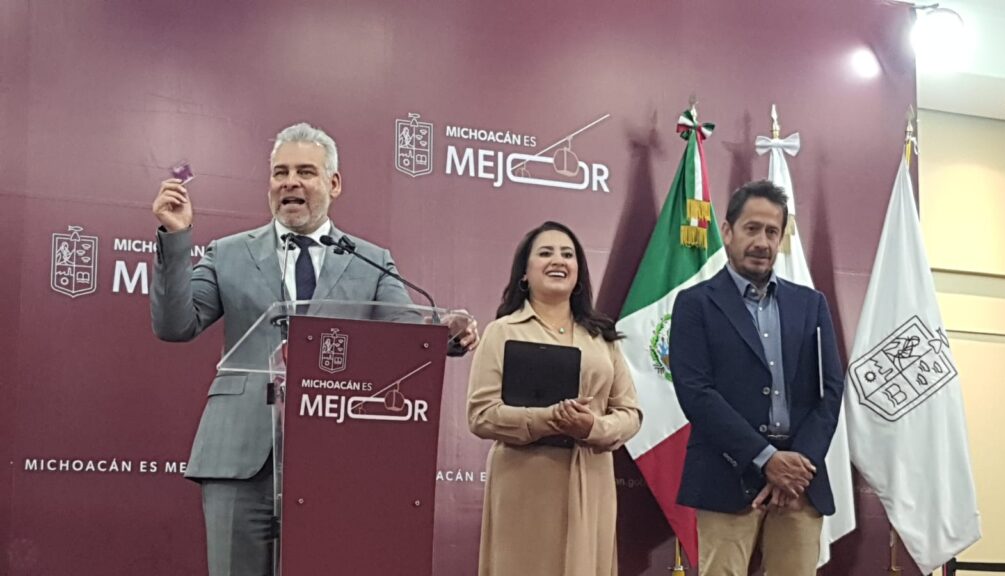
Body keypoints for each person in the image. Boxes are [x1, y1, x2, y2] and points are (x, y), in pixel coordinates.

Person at [149, 122, 478, 576]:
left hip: (335, 460)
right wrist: (176, 238)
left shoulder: (371, 260)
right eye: (280, 173)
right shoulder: (227, 253)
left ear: (333, 183)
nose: (291, 183)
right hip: (239, 457)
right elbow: (175, 325)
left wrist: (446, 334)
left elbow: (406, 337)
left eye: (305, 172)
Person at [669, 179, 844, 575]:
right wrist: (766, 459)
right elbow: (696, 393)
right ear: (727, 231)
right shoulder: (695, 305)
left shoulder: (811, 304)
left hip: (799, 485)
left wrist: (797, 465)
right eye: (751, 229)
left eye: (771, 231)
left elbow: (831, 390)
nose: (762, 242)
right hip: (725, 476)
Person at [467, 221, 642, 576]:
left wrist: (592, 427)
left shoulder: (602, 337)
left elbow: (630, 413)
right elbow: (481, 415)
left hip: (590, 479)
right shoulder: (502, 332)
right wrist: (546, 419)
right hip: (525, 481)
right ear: (525, 273)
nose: (558, 261)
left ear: (579, 272)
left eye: (568, 254)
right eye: (545, 253)